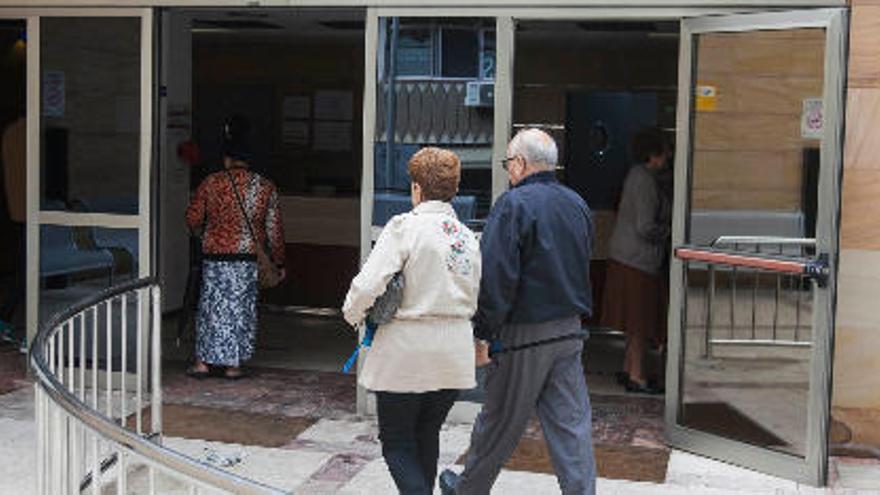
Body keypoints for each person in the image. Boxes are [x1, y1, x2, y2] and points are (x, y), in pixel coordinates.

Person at [440, 128, 596, 495]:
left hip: (523, 334)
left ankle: (467, 490)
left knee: (499, 421)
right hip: (569, 331)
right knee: (571, 425)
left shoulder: (512, 205)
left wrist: (483, 333)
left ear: (521, 163)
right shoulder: (576, 203)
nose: (509, 169)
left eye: (509, 162)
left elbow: (496, 276)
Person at [342, 147, 481, 495]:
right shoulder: (466, 237)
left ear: (416, 187)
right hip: (453, 353)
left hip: (406, 352)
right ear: (454, 187)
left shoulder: (405, 227)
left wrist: (352, 314)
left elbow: (368, 284)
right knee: (426, 432)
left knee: (397, 442)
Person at [184, 115, 285, 379]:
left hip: (215, 256)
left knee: (211, 308)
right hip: (246, 258)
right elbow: (274, 230)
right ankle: (233, 365)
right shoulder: (264, 187)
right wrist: (279, 261)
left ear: (226, 159)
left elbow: (192, 218)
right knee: (240, 309)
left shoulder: (211, 183)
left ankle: (203, 363)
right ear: (248, 160)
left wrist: (205, 229)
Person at [601, 127, 671, 394]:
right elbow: (645, 226)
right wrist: (668, 233)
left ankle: (630, 370)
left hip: (628, 258)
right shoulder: (645, 181)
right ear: (653, 154)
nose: (668, 156)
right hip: (638, 262)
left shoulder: (638, 176)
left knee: (634, 324)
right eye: (665, 151)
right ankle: (638, 375)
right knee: (640, 323)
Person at [0, 115, 25, 346]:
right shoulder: (17, 132)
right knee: (21, 271)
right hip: (18, 215)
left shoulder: (16, 131)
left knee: (21, 271)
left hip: (19, 214)